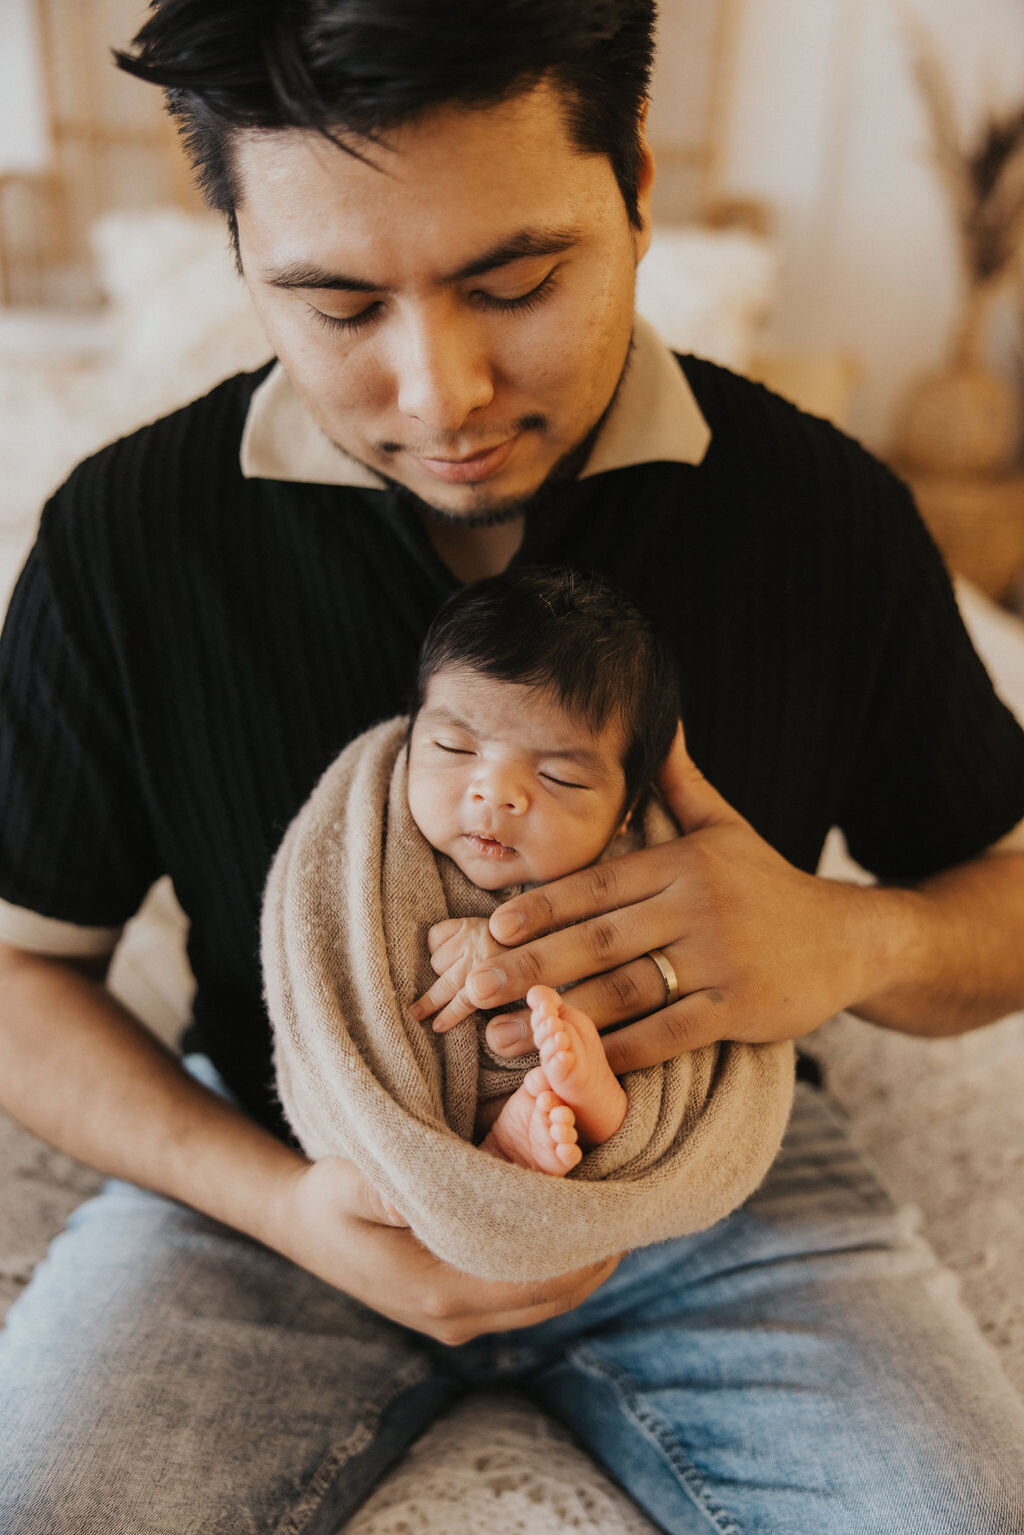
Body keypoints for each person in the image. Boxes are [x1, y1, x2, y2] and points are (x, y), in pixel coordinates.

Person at [1, 0, 1023, 1529]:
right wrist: (289, 1204)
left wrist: (850, 940)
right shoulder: (123, 539)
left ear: (640, 192)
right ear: (240, 261)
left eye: (517, 281)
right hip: (281, 1168)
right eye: (340, 308)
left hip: (718, 1171)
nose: (443, 394)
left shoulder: (824, 509)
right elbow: (22, 973)